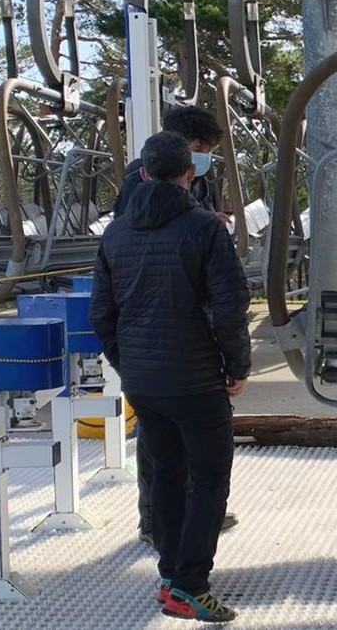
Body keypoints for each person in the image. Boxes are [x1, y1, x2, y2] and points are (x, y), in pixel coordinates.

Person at [90, 131, 251, 622]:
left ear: (142, 173)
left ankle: (169, 574)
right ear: (191, 173)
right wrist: (237, 367)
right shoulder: (204, 228)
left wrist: (127, 364)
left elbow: (101, 313)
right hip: (197, 380)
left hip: (144, 381)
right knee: (207, 481)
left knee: (165, 474)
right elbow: (229, 308)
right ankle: (190, 585)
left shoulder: (115, 233)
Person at [113, 105, 240, 544]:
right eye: (201, 150)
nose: (203, 159)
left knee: (177, 447)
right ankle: (159, 524)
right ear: (183, 144)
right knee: (161, 447)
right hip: (168, 333)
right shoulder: (140, 181)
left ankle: (191, 514)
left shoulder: (192, 180)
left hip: (160, 340)